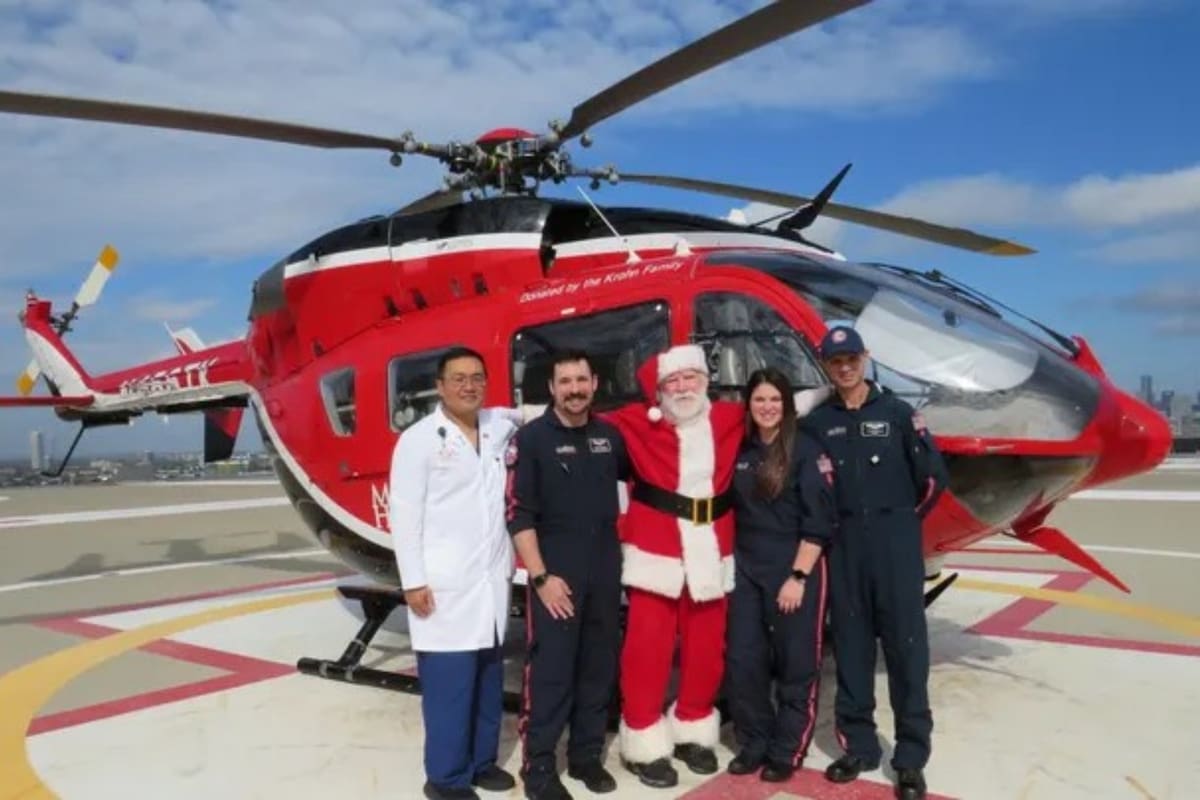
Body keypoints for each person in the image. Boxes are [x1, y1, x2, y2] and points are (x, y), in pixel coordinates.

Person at [801, 326, 948, 800]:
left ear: (864, 358)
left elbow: (931, 481)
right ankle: (859, 745)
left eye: (850, 358)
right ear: (826, 366)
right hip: (843, 547)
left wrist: (900, 526)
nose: (844, 367)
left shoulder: (901, 414)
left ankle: (909, 757)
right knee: (852, 648)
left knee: (907, 651)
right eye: (835, 361)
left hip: (894, 544)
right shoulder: (818, 424)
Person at [600, 343, 744, 789]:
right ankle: (642, 738)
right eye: (672, 382)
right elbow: (578, 419)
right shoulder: (635, 421)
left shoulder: (729, 418)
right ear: (658, 390)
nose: (682, 388)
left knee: (707, 647)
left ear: (705, 382)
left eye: (690, 379)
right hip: (656, 551)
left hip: (711, 548)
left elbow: (785, 405)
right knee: (647, 648)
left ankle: (694, 725)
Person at [389, 346, 520, 800]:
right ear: (440, 386)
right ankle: (445, 778)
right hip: (443, 586)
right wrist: (413, 581)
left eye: (477, 377)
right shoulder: (419, 440)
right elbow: (404, 516)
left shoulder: (497, 427)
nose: (469, 385)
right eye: (459, 378)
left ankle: (482, 762)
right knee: (449, 689)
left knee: (487, 681)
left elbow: (526, 414)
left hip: (489, 582)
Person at [505, 350, 629, 800]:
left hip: (604, 575)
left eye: (581, 380)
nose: (574, 389)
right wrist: (541, 578)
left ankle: (585, 758)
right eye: (565, 381)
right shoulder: (533, 439)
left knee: (598, 670)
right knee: (551, 675)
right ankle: (538, 769)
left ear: (594, 383)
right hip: (556, 578)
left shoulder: (608, 437)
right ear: (552, 388)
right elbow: (519, 516)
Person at [724, 367, 837, 783]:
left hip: (793, 568)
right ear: (749, 406)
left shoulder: (805, 450)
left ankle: (787, 747)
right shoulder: (741, 451)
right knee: (743, 660)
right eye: (759, 400)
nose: (767, 407)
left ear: (786, 405)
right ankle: (754, 740)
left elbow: (819, 522)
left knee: (797, 662)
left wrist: (798, 576)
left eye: (775, 400)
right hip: (747, 569)